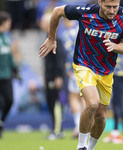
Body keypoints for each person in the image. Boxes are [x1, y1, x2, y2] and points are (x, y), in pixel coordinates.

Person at [39, 0, 123, 149]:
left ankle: (90, 148)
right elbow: (57, 11)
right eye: (108, 7)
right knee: (92, 103)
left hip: (106, 70)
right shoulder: (85, 11)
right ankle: (81, 146)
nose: (112, 11)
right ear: (100, 2)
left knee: (101, 115)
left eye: (115, 7)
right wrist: (52, 38)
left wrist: (115, 46)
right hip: (84, 64)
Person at [40, 12, 66, 140]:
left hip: (55, 76)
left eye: (44, 22)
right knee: (51, 103)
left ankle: (58, 130)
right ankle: (55, 129)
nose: (41, 24)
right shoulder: (48, 37)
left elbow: (60, 59)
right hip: (49, 76)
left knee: (55, 103)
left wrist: (59, 76)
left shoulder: (56, 39)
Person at [58, 18, 85, 138]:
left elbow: (70, 52)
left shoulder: (67, 34)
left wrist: (69, 69)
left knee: (74, 97)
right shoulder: (82, 30)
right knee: (84, 97)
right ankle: (84, 125)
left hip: (75, 69)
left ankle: (79, 126)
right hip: (87, 68)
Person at [0, 11, 19, 138]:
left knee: (10, 101)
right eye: (8, 22)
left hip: (6, 74)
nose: (10, 24)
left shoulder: (7, 38)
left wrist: (15, 69)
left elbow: (10, 56)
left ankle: (1, 122)